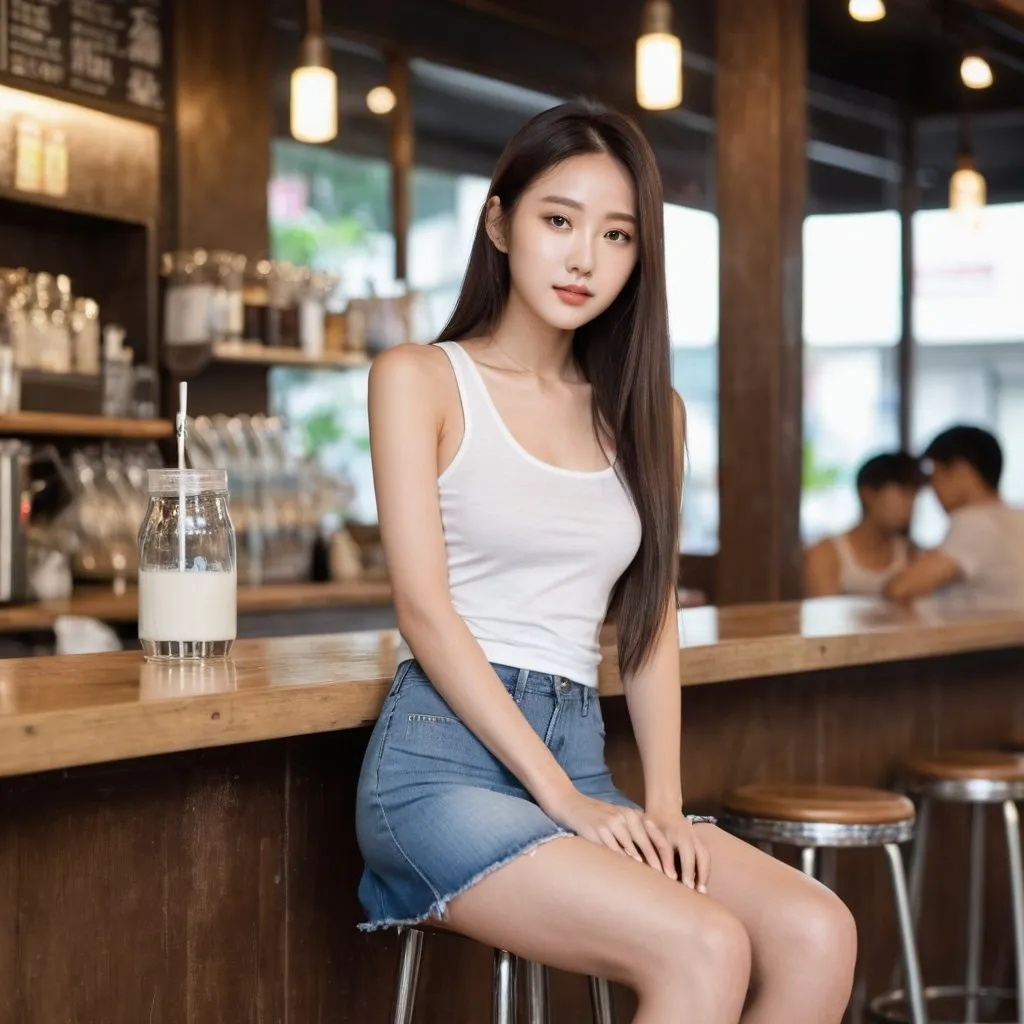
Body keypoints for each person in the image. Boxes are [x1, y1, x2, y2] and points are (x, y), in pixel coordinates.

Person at [355, 101, 856, 1024]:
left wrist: (662, 802)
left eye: (617, 234)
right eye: (559, 220)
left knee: (815, 931)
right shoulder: (419, 379)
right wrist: (560, 799)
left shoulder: (649, 411)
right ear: (499, 222)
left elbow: (650, 621)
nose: (586, 257)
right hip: (443, 772)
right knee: (705, 944)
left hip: (581, 758)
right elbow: (425, 611)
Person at [885, 425, 1024, 611]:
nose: (933, 491)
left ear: (961, 471)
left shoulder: (975, 522)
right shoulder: (1018, 516)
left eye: (935, 477)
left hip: (983, 639)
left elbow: (900, 588)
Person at [804, 452, 922, 598]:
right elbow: (822, 616)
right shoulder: (827, 553)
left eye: (914, 495)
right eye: (903, 493)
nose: (910, 504)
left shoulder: (912, 554)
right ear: (868, 493)